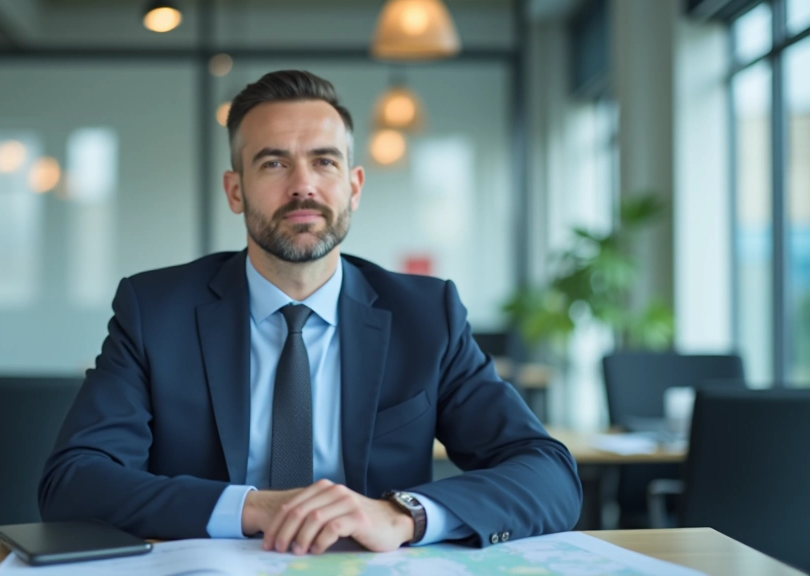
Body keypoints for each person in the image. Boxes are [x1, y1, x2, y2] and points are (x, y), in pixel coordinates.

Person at [38, 70, 581, 556]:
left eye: (324, 161)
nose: (303, 185)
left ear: (353, 185)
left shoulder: (425, 314)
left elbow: (548, 474)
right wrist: (254, 508)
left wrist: (401, 515)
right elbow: (75, 481)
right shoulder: (156, 310)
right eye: (273, 163)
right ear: (235, 190)